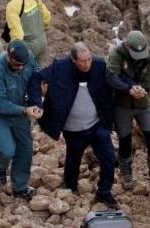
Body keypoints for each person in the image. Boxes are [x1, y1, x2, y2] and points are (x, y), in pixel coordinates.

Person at [30, 42, 139, 207]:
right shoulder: (59, 67)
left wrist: (131, 86)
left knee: (108, 157)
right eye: (82, 61)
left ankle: (104, 192)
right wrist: (37, 103)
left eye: (89, 59)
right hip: (73, 129)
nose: (87, 64)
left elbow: (117, 75)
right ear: (73, 60)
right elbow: (36, 78)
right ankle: (70, 187)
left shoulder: (99, 64)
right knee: (73, 158)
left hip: (97, 124)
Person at [106, 30, 150, 194]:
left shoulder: (149, 55)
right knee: (124, 138)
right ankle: (126, 172)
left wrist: (143, 88)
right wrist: (128, 89)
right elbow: (111, 76)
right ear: (126, 46)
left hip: (143, 103)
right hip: (122, 103)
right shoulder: (116, 54)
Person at [0, 40, 43, 199]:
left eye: (23, 64)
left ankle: (20, 187)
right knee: (6, 149)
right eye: (16, 64)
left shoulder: (27, 57)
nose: (20, 68)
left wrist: (36, 103)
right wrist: (25, 110)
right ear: (8, 56)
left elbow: (36, 74)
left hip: (20, 112)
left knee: (25, 149)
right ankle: (0, 169)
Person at [0, 0, 52, 64]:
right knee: (39, 74)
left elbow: (17, 36)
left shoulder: (12, 6)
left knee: (22, 75)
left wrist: (12, 53)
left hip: (28, 48)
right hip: (42, 42)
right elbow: (47, 18)